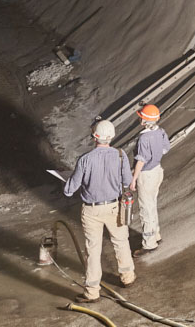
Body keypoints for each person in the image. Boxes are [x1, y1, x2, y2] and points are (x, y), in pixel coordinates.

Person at [63, 119, 137, 300]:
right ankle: (127, 277)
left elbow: (69, 190)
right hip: (114, 207)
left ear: (94, 136)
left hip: (92, 211)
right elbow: (127, 182)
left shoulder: (85, 160)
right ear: (111, 136)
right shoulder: (120, 155)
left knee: (93, 250)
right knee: (121, 242)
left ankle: (92, 292)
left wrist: (68, 180)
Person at [129, 103, 172, 251]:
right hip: (157, 170)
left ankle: (149, 244)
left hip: (146, 175)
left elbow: (141, 160)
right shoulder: (161, 132)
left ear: (143, 121)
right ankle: (156, 235)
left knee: (146, 210)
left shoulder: (144, 138)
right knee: (152, 205)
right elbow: (166, 149)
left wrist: (133, 179)